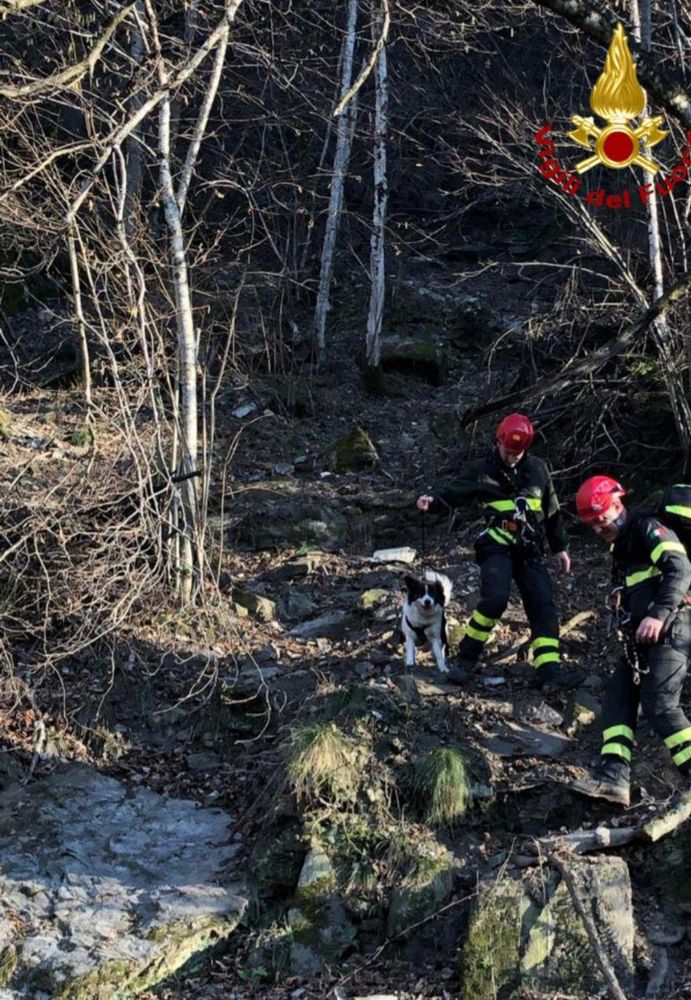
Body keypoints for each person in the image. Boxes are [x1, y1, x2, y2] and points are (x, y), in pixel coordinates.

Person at [416, 413, 578, 689]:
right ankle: (466, 660)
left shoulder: (538, 470)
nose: (512, 456)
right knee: (495, 600)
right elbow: (455, 490)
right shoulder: (482, 470)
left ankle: (549, 670)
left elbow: (551, 511)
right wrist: (431, 500)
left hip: (529, 548)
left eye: (518, 452)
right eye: (508, 451)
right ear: (498, 442)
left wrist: (559, 548)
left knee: (543, 606)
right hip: (496, 545)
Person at [567, 475, 691, 806]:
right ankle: (612, 778)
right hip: (641, 638)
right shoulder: (621, 547)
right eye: (591, 524)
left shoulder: (647, 527)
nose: (598, 528)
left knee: (660, 704)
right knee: (618, 697)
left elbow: (679, 569)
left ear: (618, 505)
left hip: (673, 627)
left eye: (601, 519)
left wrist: (657, 614)